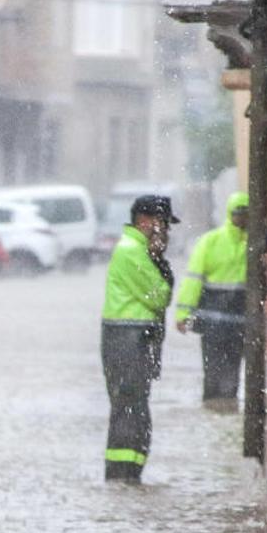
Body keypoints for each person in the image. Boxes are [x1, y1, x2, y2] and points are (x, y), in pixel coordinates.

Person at [101, 195, 177, 483]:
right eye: (163, 224)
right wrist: (159, 261)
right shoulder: (132, 251)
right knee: (130, 407)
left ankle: (129, 475)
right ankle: (122, 476)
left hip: (133, 339)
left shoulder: (137, 250)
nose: (166, 232)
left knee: (135, 408)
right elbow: (160, 296)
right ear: (145, 222)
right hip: (127, 338)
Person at [175, 191, 249, 413]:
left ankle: (225, 407)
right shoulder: (210, 242)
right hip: (213, 323)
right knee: (213, 370)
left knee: (232, 371)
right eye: (238, 213)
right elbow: (193, 281)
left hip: (239, 323)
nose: (242, 218)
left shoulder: (255, 243)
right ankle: (215, 408)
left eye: (246, 214)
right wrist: (183, 314)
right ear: (229, 214)